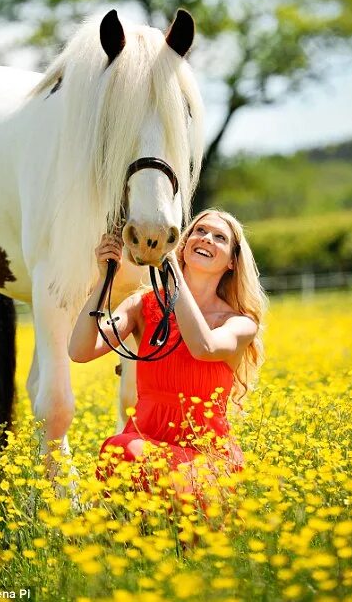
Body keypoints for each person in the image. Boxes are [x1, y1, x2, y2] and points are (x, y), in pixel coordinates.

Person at [69, 209, 267, 503]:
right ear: (184, 244)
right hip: (141, 444)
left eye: (220, 237)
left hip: (202, 458)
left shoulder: (240, 323)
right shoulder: (143, 305)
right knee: (123, 450)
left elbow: (205, 347)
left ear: (232, 262)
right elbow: (80, 351)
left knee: (126, 451)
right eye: (200, 231)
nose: (207, 239)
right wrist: (104, 278)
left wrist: (172, 271)